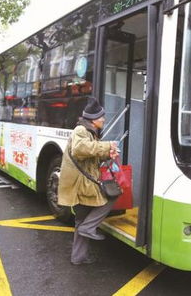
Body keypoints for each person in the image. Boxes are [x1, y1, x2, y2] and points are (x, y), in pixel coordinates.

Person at [58, 97, 119, 265]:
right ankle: (88, 228)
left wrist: (107, 154)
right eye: (101, 117)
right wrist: (107, 146)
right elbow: (79, 149)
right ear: (93, 119)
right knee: (110, 197)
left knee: (81, 220)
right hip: (81, 183)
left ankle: (78, 257)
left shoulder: (89, 131)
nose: (104, 120)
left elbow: (89, 156)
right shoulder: (81, 130)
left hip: (80, 182)